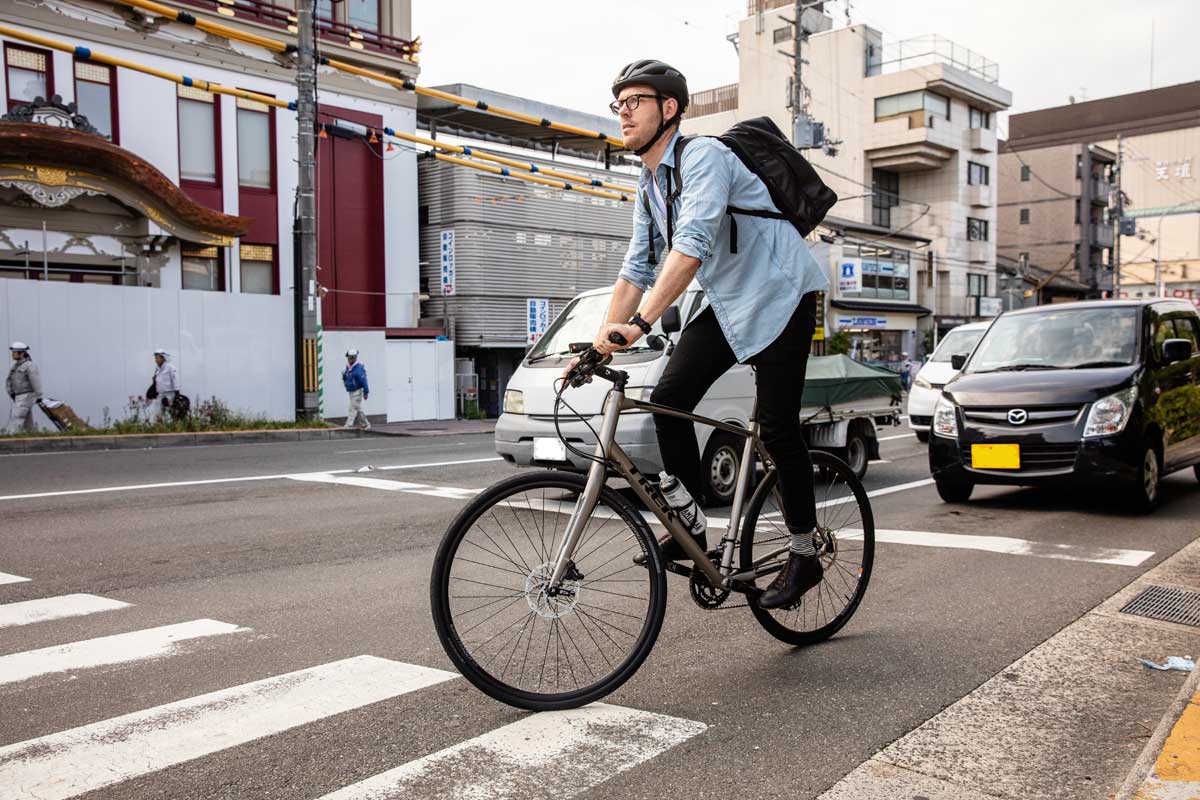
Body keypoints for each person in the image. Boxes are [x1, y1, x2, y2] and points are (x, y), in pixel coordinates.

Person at [578, 59, 830, 610]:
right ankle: (691, 530)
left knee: (779, 430)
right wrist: (598, 344)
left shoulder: (705, 157)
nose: (623, 112)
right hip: (734, 304)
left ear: (669, 108)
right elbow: (634, 268)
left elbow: (689, 246)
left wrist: (641, 322)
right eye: (617, 103)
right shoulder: (651, 183)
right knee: (667, 401)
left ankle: (805, 552)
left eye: (634, 101)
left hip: (784, 295)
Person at [6, 342, 42, 434]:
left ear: (22, 353)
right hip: (18, 396)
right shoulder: (16, 366)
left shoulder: (29, 365)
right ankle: (32, 435)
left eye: (15, 352)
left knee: (16, 417)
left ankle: (11, 436)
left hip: (25, 395)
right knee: (27, 421)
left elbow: (35, 380)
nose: (12, 354)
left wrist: (39, 395)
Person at [342, 349, 370, 429]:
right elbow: (346, 378)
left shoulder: (359, 368)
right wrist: (344, 376)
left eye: (350, 358)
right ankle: (366, 424)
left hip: (357, 391)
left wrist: (366, 392)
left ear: (354, 358)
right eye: (348, 357)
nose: (348, 359)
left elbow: (364, 381)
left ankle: (348, 424)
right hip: (351, 391)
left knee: (352, 408)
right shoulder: (348, 367)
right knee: (358, 408)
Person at [151, 348, 179, 420]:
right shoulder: (157, 368)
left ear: (163, 358)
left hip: (170, 394)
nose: (156, 360)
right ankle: (159, 428)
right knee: (158, 414)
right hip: (160, 394)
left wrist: (177, 393)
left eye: (157, 358)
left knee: (171, 412)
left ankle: (174, 427)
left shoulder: (170, 368)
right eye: (155, 358)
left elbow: (175, 380)